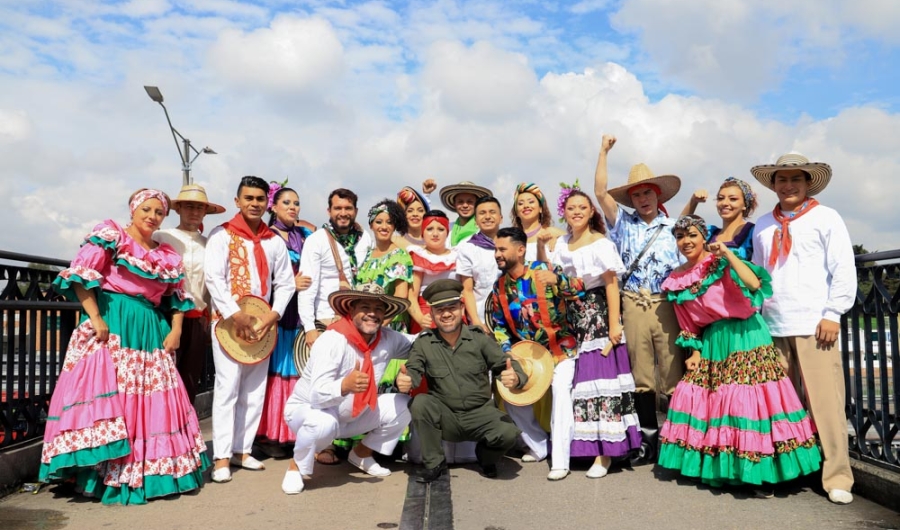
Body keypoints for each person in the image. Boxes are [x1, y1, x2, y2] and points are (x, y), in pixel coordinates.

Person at [40, 189, 208, 505]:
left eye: (159, 212)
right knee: (112, 399)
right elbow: (80, 277)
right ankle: (97, 476)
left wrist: (176, 331)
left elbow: (177, 299)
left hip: (149, 329)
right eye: (146, 209)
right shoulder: (113, 237)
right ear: (133, 210)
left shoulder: (167, 256)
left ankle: (142, 471)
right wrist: (96, 318)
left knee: (147, 401)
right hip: (114, 322)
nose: (152, 216)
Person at [658, 215, 821, 491]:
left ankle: (760, 470)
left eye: (692, 235)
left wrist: (728, 255)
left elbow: (755, 285)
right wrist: (693, 350)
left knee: (748, 402)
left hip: (746, 334)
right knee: (717, 404)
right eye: (680, 237)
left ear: (703, 238)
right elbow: (686, 322)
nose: (686, 242)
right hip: (715, 341)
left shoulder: (719, 262)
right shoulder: (676, 280)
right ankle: (729, 469)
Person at [750, 153, 857, 504]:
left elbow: (843, 267)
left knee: (826, 405)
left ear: (808, 182)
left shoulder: (826, 217)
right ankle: (789, 471)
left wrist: (833, 312)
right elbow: (757, 275)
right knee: (781, 407)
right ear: (773, 184)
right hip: (772, 325)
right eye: (782, 179)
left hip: (814, 323)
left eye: (796, 178)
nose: (789, 185)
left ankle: (838, 476)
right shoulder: (764, 224)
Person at [592, 133, 684, 464]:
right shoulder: (622, 224)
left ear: (658, 195)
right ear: (631, 199)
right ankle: (647, 438)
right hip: (633, 301)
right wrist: (603, 152)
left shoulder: (675, 227)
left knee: (673, 373)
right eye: (637, 194)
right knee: (641, 375)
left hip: (666, 303)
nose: (643, 198)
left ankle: (676, 439)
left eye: (648, 192)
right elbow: (600, 192)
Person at [281, 284, 414, 494]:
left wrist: (448, 332)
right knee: (323, 423)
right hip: (310, 411)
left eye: (379, 308)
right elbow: (316, 395)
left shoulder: (387, 338)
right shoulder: (333, 340)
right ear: (351, 310)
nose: (372, 313)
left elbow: (420, 345)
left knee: (404, 405)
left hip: (352, 415)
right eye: (365, 306)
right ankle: (296, 466)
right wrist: (344, 386)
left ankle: (361, 454)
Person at [205, 176, 296, 484]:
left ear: (265, 202)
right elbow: (214, 279)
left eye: (260, 199)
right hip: (228, 323)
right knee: (228, 388)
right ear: (237, 201)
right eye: (249, 198)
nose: (255, 203)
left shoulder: (274, 241)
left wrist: (274, 314)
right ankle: (220, 456)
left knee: (255, 390)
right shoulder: (221, 236)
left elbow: (285, 282)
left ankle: (242, 451)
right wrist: (234, 314)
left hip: (262, 325)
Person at [549, 188, 641, 479]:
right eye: (571, 207)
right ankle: (586, 447)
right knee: (578, 386)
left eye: (582, 208)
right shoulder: (561, 243)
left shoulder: (601, 243)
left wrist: (615, 323)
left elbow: (611, 284)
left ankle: (606, 454)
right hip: (569, 317)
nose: (576, 212)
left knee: (600, 381)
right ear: (564, 212)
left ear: (591, 213)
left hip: (597, 314)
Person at [397, 280, 527, 481]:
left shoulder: (479, 339)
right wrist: (405, 380)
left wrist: (516, 377)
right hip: (446, 416)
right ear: (431, 314)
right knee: (421, 402)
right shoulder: (424, 343)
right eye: (439, 310)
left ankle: (486, 458)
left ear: (462, 308)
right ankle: (435, 464)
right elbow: (412, 370)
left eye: (451, 308)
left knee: (508, 433)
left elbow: (506, 364)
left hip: (480, 414)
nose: (446, 314)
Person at [489, 227, 583, 480]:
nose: (497, 254)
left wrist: (559, 281)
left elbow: (580, 290)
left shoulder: (544, 271)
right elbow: (499, 325)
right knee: (508, 391)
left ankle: (561, 461)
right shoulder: (499, 287)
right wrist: (509, 354)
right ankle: (540, 445)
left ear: (520, 250)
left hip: (561, 351)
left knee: (561, 393)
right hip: (528, 357)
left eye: (502, 249)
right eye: (495, 249)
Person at [255, 182, 315, 452]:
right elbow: (261, 275)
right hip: (279, 312)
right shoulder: (266, 236)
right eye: (287, 203)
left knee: (299, 370)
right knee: (278, 371)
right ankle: (271, 434)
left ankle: (296, 432)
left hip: (302, 313)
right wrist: (291, 282)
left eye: (296, 203)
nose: (293, 207)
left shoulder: (305, 235)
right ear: (273, 206)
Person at [152, 183, 226, 404]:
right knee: (160, 378)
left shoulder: (211, 244)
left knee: (190, 380)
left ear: (205, 212)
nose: (194, 212)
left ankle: (186, 432)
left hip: (197, 319)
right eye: (189, 206)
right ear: (179, 209)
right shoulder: (161, 237)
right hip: (164, 317)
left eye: (199, 208)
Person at [298, 188, 373, 348]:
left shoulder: (364, 238)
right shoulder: (317, 240)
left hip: (359, 321)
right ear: (329, 211)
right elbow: (307, 287)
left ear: (356, 211)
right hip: (327, 320)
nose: (343, 213)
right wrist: (309, 327)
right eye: (338, 208)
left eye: (348, 208)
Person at [356, 199, 414, 332]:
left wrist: (381, 325)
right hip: (367, 324)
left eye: (389, 222)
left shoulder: (399, 255)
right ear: (371, 225)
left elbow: (401, 295)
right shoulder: (366, 256)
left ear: (394, 226)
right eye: (379, 222)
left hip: (390, 325)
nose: (384, 226)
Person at [681, 176, 758, 260]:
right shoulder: (708, 233)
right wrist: (693, 202)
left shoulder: (754, 233)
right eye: (720, 198)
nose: (724, 203)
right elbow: (679, 229)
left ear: (745, 205)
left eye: (733, 199)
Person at [457, 196, 503, 331]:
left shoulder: (512, 242)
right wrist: (476, 321)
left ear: (501, 217)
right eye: (482, 213)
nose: (487, 217)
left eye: (492, 212)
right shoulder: (467, 247)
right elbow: (467, 289)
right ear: (476, 221)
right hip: (483, 319)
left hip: (513, 317)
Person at [407, 210, 457, 332]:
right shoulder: (417, 255)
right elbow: (411, 296)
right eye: (429, 229)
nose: (435, 234)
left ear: (447, 232)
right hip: (426, 316)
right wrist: (420, 319)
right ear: (422, 233)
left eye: (440, 229)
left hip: (455, 315)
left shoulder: (458, 256)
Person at [510, 183, 564, 262]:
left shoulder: (552, 232)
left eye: (531, 202)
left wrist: (559, 239)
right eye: (520, 203)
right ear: (516, 212)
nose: (526, 206)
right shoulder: (512, 239)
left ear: (540, 208)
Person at [438, 181, 492, 246]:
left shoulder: (483, 229)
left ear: (477, 204)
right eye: (460, 202)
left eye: (470, 201)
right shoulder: (447, 228)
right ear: (454, 204)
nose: (465, 205)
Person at [394, 185, 432, 250]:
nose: (415, 214)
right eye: (410, 211)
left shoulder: (434, 243)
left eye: (420, 210)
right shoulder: (394, 242)